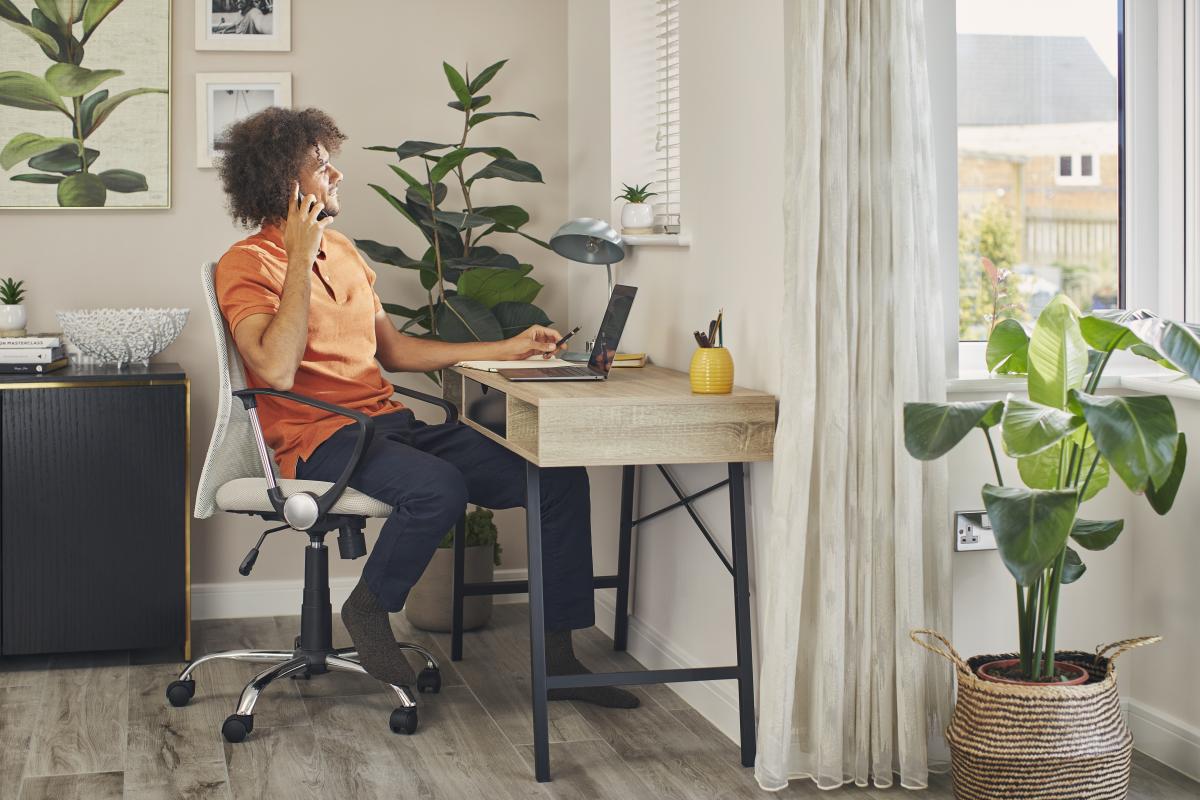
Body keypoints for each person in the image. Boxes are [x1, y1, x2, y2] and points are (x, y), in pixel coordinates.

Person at [214, 107, 637, 709]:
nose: (336, 177)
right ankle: (369, 606)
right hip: (320, 437)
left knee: (557, 474)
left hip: (387, 426)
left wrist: (507, 347)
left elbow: (395, 350)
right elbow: (276, 369)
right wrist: (301, 262)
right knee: (437, 487)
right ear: (284, 182)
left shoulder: (347, 252)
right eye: (321, 167)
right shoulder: (248, 264)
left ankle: (560, 657)